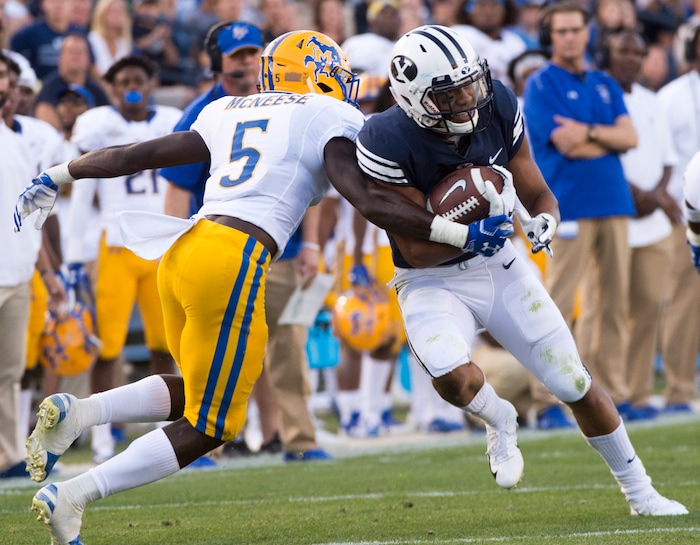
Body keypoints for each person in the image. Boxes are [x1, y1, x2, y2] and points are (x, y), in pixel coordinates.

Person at [14, 30, 495, 542]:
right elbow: (369, 202)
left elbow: (139, 154)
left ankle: (80, 412)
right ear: (310, 70)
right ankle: (74, 495)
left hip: (183, 251)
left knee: (208, 395)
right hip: (233, 259)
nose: (344, 81)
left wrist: (59, 174)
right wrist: (458, 232)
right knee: (215, 425)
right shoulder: (325, 114)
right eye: (335, 68)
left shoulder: (228, 108)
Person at [354, 23, 686, 515]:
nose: (469, 98)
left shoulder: (497, 104)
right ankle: (499, 416)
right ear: (414, 98)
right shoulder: (385, 137)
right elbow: (414, 247)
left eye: (471, 83)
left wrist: (545, 220)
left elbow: (535, 187)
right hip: (429, 277)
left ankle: (641, 492)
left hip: (498, 263)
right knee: (449, 376)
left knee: (573, 380)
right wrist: (468, 233)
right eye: (451, 94)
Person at [162, 20, 332, 461]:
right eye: (236, 55)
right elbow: (178, 186)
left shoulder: (294, 104)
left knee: (287, 348)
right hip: (224, 247)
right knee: (209, 351)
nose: (245, 62)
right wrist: (173, 240)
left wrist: (312, 245)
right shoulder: (205, 109)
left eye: (252, 53)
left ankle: (293, 437)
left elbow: (313, 182)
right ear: (214, 61)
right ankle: (206, 445)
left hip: (284, 247)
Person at [523, 2, 643, 421]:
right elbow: (563, 141)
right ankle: (546, 400)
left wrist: (591, 133)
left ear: (588, 33)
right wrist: (606, 141)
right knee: (556, 304)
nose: (570, 37)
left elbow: (630, 137)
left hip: (612, 202)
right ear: (550, 38)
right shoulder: (540, 85)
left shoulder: (605, 82)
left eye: (576, 29)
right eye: (562, 31)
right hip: (567, 205)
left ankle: (612, 393)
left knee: (611, 304)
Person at [64, 55, 182, 464]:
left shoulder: (170, 119)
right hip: (114, 246)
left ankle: (162, 432)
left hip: (159, 244)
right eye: (124, 81)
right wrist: (75, 253)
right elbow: (81, 191)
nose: (132, 87)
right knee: (108, 347)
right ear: (112, 88)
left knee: (163, 345)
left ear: (152, 83)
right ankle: (100, 438)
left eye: (139, 79)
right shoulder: (97, 123)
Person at [591, 29, 679, 417]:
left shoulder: (652, 101)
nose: (631, 59)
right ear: (607, 55)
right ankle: (609, 393)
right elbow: (598, 156)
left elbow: (666, 159)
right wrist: (636, 195)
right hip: (614, 215)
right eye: (622, 51)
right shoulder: (596, 95)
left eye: (638, 53)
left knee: (648, 308)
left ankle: (640, 394)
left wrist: (656, 194)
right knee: (607, 309)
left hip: (653, 222)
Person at [0, 51, 64, 480]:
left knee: (10, 372)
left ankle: (6, 457)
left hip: (19, 273)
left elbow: (26, 215)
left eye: (5, 77)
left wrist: (47, 272)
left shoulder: (18, 141)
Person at [656, 23, 700, 414]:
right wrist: (676, 210)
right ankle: (679, 390)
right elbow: (665, 159)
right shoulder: (670, 96)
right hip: (690, 215)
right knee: (686, 304)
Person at [34, 33, 111, 131]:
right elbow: (45, 123)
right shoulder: (48, 88)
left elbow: (110, 118)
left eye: (79, 53)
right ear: (60, 58)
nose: (75, 57)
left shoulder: (96, 90)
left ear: (88, 59)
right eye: (71, 52)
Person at [9, 0, 88, 80]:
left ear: (72, 4)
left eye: (63, 1)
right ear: (43, 4)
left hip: (72, 87)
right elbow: (13, 56)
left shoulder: (80, 33)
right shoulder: (29, 33)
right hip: (40, 87)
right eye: (53, 1)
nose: (58, 5)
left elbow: (90, 66)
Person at [341, 0, 401, 76]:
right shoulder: (358, 43)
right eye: (384, 14)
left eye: (393, 14)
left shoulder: (407, 42)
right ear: (372, 20)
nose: (390, 18)